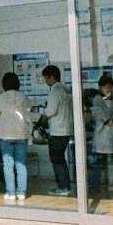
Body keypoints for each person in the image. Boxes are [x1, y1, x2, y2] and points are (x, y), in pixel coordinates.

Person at [0, 72, 31, 203]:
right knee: (21, 164)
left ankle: (11, 193)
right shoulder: (24, 97)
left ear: (4, 84)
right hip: (21, 133)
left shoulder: (0, 98)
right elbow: (28, 113)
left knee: (8, 164)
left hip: (5, 134)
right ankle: (22, 193)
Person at [88, 75, 113, 191]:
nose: (108, 89)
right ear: (100, 88)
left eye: (110, 86)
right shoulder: (97, 100)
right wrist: (108, 119)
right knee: (100, 160)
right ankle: (94, 185)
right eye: (105, 87)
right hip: (102, 135)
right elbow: (99, 114)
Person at [42, 65, 73, 196]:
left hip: (57, 131)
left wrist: (44, 111)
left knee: (56, 160)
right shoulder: (66, 91)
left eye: (46, 78)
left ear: (51, 77)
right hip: (66, 130)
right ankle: (65, 185)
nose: (45, 81)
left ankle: (63, 187)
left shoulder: (55, 91)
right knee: (61, 159)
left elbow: (50, 111)